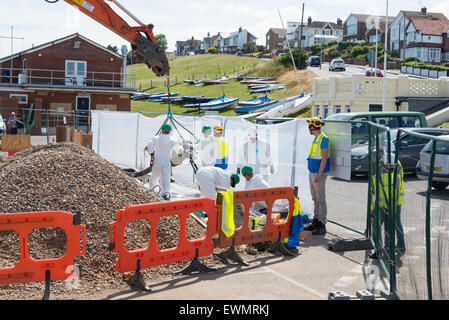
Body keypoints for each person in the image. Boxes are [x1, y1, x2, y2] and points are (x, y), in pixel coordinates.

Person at [371, 145, 406, 255]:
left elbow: (373, 195)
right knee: (389, 228)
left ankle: (378, 250)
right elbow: (399, 189)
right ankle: (389, 249)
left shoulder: (377, 176)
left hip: (380, 206)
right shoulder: (398, 176)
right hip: (394, 204)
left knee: (377, 227)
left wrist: (371, 210)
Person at [304, 117, 330, 235]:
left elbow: (324, 158)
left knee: (320, 199)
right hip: (313, 171)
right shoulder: (316, 138)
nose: (309, 128)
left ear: (312, 127)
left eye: (309, 126)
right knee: (315, 198)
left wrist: (319, 174)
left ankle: (322, 223)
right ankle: (316, 220)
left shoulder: (323, 139)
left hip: (318, 173)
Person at [147, 123, 182, 201]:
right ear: (169, 131)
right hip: (166, 162)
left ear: (162, 130)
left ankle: (152, 191)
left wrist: (151, 153)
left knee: (155, 176)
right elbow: (179, 150)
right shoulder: (172, 139)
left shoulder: (156, 138)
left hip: (157, 161)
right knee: (166, 178)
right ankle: (165, 194)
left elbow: (149, 145)